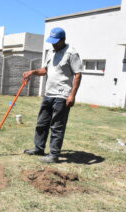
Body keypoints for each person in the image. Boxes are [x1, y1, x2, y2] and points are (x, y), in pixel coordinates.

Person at [22, 27, 82, 163]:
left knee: (57, 126)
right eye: (52, 41)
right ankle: (39, 149)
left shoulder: (71, 53)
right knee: (41, 123)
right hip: (49, 94)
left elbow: (78, 74)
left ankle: (54, 155)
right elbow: (46, 70)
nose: (53, 44)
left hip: (62, 95)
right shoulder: (50, 52)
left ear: (63, 39)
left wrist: (72, 95)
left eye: (56, 41)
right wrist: (33, 72)